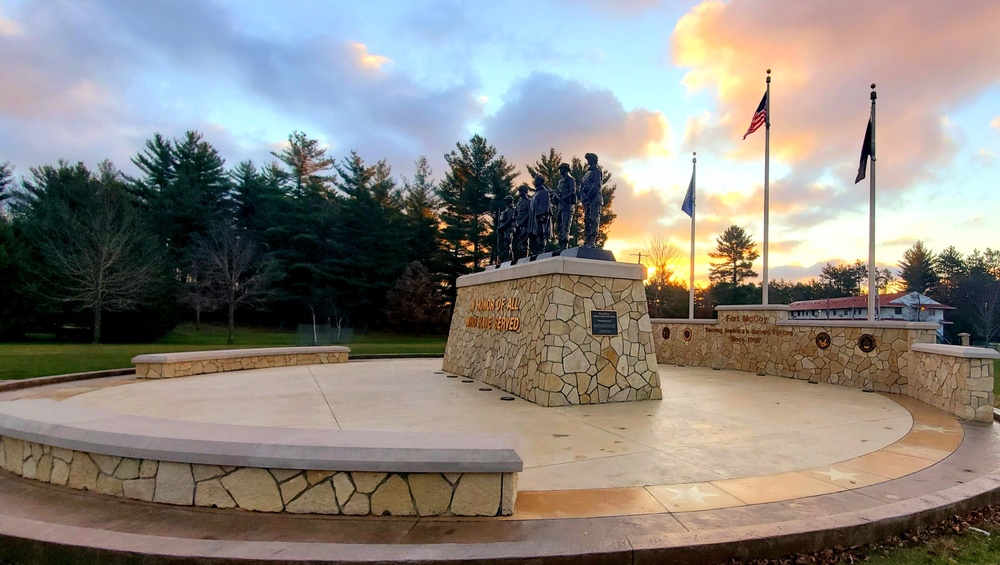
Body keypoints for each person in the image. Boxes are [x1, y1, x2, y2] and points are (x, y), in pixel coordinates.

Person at [580, 152, 603, 248]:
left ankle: (592, 240)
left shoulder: (597, 171)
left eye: (589, 159)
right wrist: (582, 197)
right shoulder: (586, 174)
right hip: (587, 201)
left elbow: (596, 185)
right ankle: (587, 239)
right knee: (587, 220)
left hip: (594, 199)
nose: (588, 161)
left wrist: (588, 196)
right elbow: (581, 187)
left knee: (594, 219)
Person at [554, 163, 576, 249]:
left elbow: (572, 192)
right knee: (559, 226)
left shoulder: (570, 180)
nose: (560, 171)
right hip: (560, 206)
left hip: (567, 205)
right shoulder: (560, 181)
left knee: (565, 226)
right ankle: (560, 244)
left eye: (562, 169)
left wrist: (563, 198)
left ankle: (564, 244)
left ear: (566, 170)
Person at [529, 175, 551, 255]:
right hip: (534, 219)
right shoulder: (535, 194)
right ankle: (536, 250)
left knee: (541, 233)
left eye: (537, 180)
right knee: (535, 234)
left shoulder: (543, 192)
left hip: (540, 217)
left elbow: (545, 205)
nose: (535, 182)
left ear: (541, 182)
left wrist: (542, 216)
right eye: (535, 180)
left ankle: (541, 249)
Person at [512, 184, 532, 260]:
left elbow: (530, 213)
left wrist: (524, 221)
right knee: (517, 242)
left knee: (524, 241)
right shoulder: (518, 203)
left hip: (525, 224)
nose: (519, 192)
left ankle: (525, 257)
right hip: (517, 224)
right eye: (519, 191)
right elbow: (516, 213)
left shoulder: (528, 201)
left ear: (525, 192)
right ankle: (517, 257)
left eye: (521, 191)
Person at [496, 195, 514, 263]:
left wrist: (501, 227)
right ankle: (506, 259)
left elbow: (509, 220)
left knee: (507, 245)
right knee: (504, 246)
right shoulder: (507, 209)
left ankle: (508, 259)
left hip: (508, 230)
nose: (506, 202)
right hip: (504, 229)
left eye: (507, 200)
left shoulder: (511, 209)